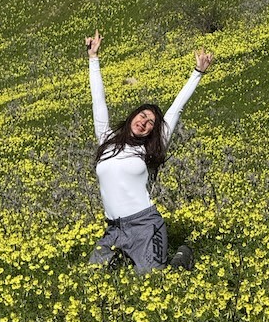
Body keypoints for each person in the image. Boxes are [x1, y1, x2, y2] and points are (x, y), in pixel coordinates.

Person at [86, 29, 213, 272]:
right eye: (142, 115)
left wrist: (197, 73)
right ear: (133, 116)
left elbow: (176, 109)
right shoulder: (107, 139)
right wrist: (93, 58)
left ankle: (181, 257)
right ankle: (123, 256)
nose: (144, 122)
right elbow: (98, 101)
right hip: (114, 228)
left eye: (151, 122)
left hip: (145, 224)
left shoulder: (149, 149)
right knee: (93, 278)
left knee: (152, 279)